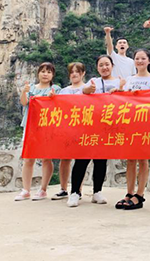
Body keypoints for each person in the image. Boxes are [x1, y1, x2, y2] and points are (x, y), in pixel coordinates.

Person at [67, 55, 122, 207]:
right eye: (101, 65)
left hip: (107, 127)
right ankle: (75, 192)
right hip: (89, 127)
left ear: (112, 66)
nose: (104, 67)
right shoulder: (94, 82)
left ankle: (97, 191)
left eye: (107, 64)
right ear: (97, 68)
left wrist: (121, 90)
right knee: (81, 159)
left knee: (101, 160)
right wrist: (86, 90)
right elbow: (80, 95)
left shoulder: (119, 81)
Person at [14, 62, 61, 201]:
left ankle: (43, 189)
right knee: (28, 158)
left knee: (46, 158)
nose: (45, 74)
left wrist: (53, 98)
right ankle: (26, 190)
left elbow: (60, 105)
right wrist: (24, 91)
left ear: (52, 75)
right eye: (43, 71)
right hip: (30, 126)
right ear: (38, 73)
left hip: (48, 127)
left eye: (49, 72)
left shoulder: (55, 89)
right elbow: (24, 103)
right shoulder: (31, 88)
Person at [115, 49, 150, 211]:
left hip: (147, 123)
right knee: (130, 159)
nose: (140, 61)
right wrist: (119, 90)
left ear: (149, 61)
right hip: (131, 122)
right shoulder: (129, 80)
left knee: (143, 159)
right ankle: (129, 192)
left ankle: (140, 194)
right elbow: (123, 99)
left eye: (143, 58)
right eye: (137, 58)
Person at [50, 62, 87, 200]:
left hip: (83, 129)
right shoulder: (64, 91)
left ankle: (78, 190)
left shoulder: (88, 88)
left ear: (83, 73)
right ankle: (63, 188)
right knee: (64, 159)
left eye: (77, 71)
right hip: (67, 129)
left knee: (80, 160)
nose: (74, 74)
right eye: (72, 72)